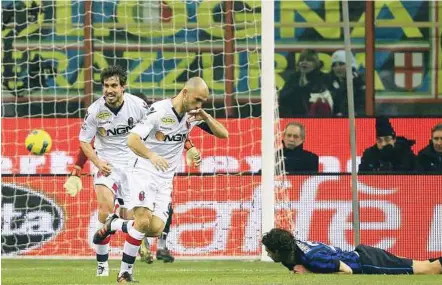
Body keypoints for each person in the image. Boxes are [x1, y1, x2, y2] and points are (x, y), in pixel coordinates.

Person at [94, 77, 229, 282]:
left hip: (165, 179)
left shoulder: (193, 115)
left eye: (203, 101)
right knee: (142, 221)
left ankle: (114, 223)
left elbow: (224, 134)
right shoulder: (159, 111)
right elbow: (132, 140)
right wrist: (152, 156)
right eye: (197, 100)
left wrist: (205, 116)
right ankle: (124, 273)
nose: (199, 104)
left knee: (155, 229)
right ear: (185, 93)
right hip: (143, 171)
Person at [262, 228, 442, 275]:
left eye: (270, 251)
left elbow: (346, 271)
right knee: (425, 264)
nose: (268, 254)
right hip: (364, 253)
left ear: (280, 250)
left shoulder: (312, 259)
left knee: (429, 270)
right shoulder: (292, 250)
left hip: (369, 263)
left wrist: (309, 272)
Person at [278, 49, 332, 117]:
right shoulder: (293, 78)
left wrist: (306, 86)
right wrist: (298, 87)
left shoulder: (323, 77)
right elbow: (282, 98)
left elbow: (326, 98)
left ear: (315, 63)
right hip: (295, 117)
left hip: (318, 119)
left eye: (309, 60)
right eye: (301, 60)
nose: (304, 62)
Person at [326, 50, 365, 117]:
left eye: (341, 64)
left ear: (351, 65)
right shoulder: (328, 81)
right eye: (334, 65)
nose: (337, 68)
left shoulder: (359, 83)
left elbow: (362, 107)